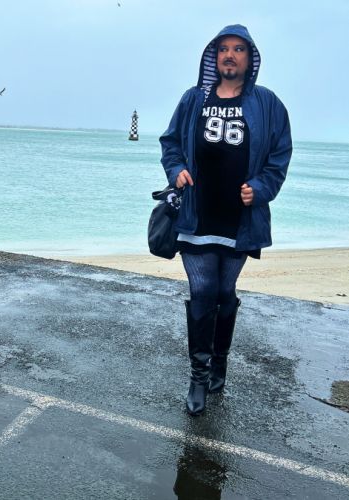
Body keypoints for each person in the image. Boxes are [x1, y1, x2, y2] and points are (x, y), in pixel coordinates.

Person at [159, 24, 292, 416]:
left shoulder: (268, 104)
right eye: (223, 49)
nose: (229, 55)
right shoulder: (193, 99)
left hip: (240, 221)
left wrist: (261, 188)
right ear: (213, 57)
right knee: (202, 291)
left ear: (250, 59)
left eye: (238, 49)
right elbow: (170, 143)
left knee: (224, 292)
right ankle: (198, 376)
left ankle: (220, 362)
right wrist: (176, 170)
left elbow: (279, 156)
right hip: (196, 215)